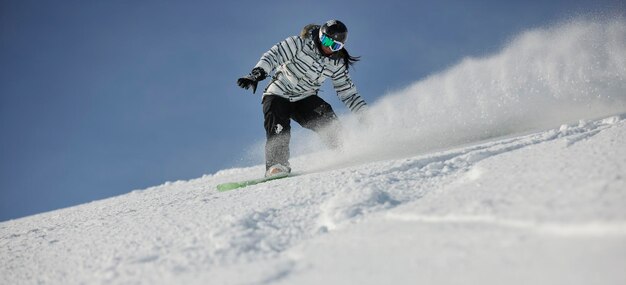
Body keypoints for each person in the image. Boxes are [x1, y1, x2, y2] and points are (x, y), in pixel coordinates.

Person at [237, 19, 367, 177]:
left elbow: (348, 93)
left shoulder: (336, 63)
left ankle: (345, 150)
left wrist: (363, 113)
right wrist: (257, 74)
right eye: (326, 40)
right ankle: (277, 165)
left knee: (325, 115)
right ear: (320, 36)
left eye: (335, 46)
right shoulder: (298, 44)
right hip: (279, 93)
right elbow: (273, 55)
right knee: (277, 124)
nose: (328, 47)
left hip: (305, 97)